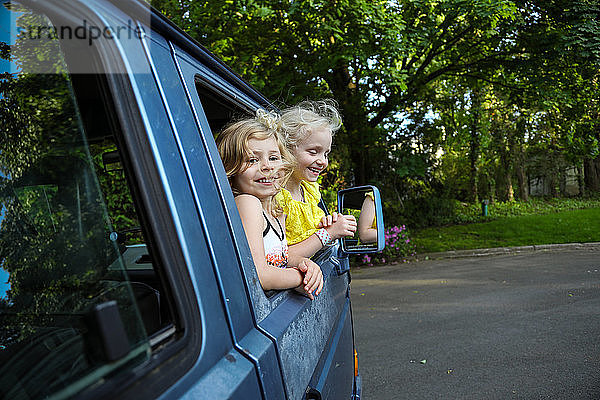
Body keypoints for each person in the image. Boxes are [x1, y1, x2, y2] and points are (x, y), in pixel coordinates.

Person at [216, 110, 323, 299]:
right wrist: (299, 277)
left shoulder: (276, 212)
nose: (267, 166)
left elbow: (278, 256)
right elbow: (260, 274)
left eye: (273, 157)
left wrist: (303, 264)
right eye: (252, 159)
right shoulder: (247, 204)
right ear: (231, 170)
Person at [276, 100, 357, 259]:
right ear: (285, 149)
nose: (323, 161)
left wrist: (326, 224)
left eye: (326, 154)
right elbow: (282, 258)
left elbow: (310, 234)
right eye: (313, 152)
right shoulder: (277, 199)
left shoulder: (309, 190)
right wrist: (329, 233)